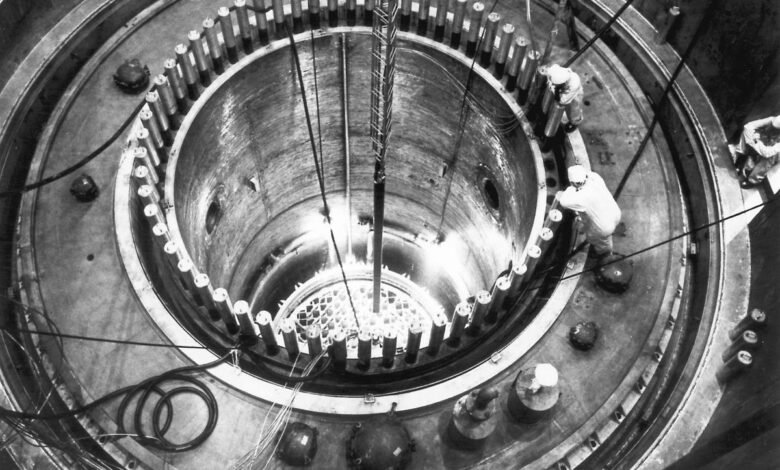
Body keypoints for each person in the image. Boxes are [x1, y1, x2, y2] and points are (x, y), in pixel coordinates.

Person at [557, 165, 621, 257]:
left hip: (603, 228)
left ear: (573, 183)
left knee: (598, 241)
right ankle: (605, 250)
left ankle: (604, 255)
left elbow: (563, 202)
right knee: (605, 236)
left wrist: (568, 190)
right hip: (614, 212)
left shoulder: (582, 198)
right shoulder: (594, 177)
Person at [733, 115, 780, 188]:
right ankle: (740, 162)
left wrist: (756, 141)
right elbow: (748, 126)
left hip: (770, 153)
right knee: (746, 133)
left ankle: (752, 180)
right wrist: (752, 138)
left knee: (770, 158)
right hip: (763, 143)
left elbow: (767, 153)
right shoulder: (772, 120)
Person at [545, 64, 584, 133]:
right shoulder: (556, 71)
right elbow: (548, 72)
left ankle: (575, 122)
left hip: (573, 97)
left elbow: (563, 100)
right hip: (561, 90)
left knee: (573, 110)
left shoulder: (574, 84)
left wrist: (556, 90)